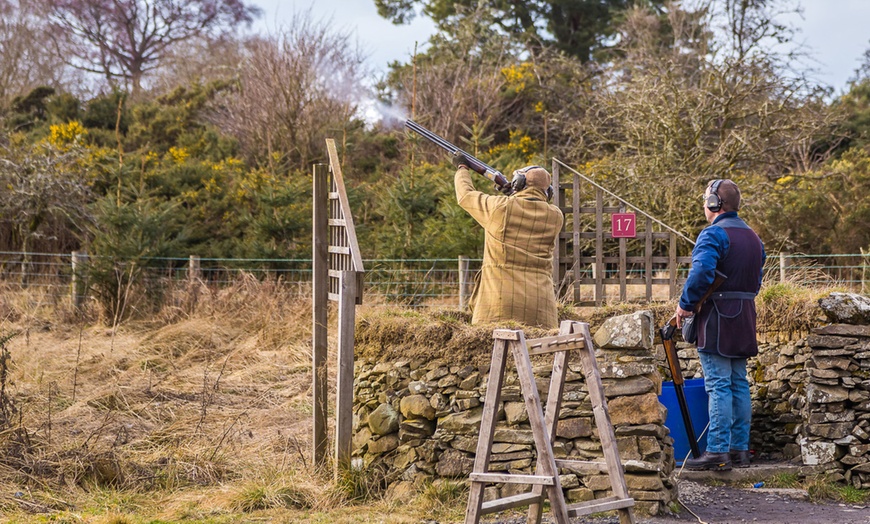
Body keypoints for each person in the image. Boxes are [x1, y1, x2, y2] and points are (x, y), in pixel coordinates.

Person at [676, 179, 766, 471]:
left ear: (715, 203)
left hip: (717, 315)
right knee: (739, 383)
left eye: (706, 200)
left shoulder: (713, 234)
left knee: (718, 385)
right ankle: (739, 450)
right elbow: (757, 280)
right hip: (745, 314)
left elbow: (701, 272)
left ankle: (716, 451)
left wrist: (685, 304)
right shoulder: (754, 237)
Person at [452, 152, 563, 328]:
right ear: (548, 192)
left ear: (518, 183)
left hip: (498, 306)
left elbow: (465, 196)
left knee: (495, 354)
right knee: (539, 355)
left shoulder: (500, 208)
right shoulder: (556, 216)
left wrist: (462, 168)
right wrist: (514, 195)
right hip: (542, 309)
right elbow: (528, 207)